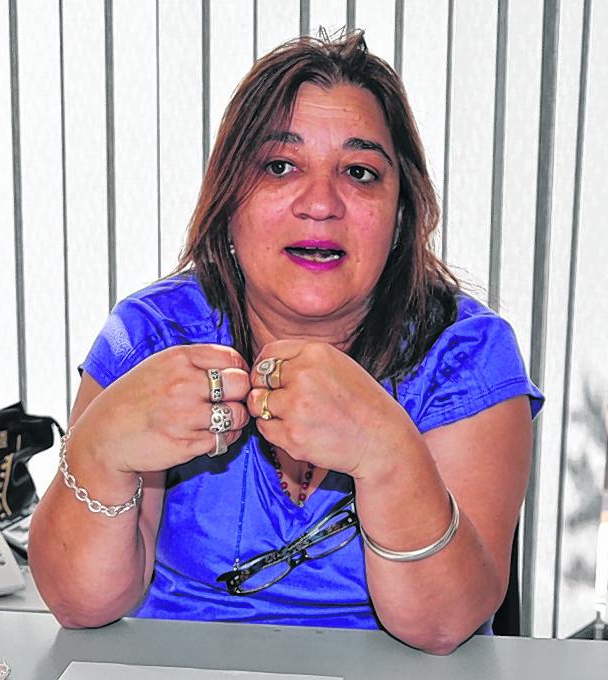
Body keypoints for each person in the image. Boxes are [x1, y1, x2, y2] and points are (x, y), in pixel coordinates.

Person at [28, 30, 543, 656]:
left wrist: (386, 453)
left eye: (359, 173)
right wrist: (99, 450)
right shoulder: (150, 333)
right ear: (228, 199)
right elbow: (80, 604)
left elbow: (443, 625)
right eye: (279, 166)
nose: (320, 204)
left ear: (401, 213)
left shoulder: (467, 353)